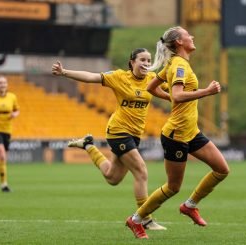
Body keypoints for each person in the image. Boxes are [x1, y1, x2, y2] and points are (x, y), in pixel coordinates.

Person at [125, 26, 230, 239]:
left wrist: (172, 98)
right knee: (173, 187)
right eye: (187, 34)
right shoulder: (179, 66)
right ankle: (136, 219)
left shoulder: (174, 63)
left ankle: (190, 206)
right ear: (179, 42)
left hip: (191, 131)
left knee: (221, 169)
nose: (191, 36)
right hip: (176, 135)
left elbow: (152, 88)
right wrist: (207, 92)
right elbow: (179, 95)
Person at [51, 48, 170, 230]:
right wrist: (64, 72)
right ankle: (145, 219)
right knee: (141, 171)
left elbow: (174, 88)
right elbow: (91, 77)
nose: (146, 63)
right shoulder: (119, 77)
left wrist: (197, 91)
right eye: (142, 60)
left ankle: (88, 146)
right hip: (118, 131)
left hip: (134, 134)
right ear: (132, 62)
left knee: (112, 177)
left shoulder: (152, 79)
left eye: (148, 60)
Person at [0, 75, 20, 192]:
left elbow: (17, 110)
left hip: (7, 130)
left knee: (0, 158)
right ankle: (4, 185)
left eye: (4, 83)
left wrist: (15, 114)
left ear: (7, 85)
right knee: (1, 155)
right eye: (0, 83)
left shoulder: (12, 97)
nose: (2, 85)